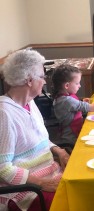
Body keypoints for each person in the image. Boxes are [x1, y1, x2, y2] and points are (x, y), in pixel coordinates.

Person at [0, 49, 70, 211]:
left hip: (49, 173)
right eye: (42, 76)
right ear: (29, 80)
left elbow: (40, 139)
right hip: (26, 190)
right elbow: (3, 168)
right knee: (73, 200)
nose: (45, 81)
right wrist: (41, 183)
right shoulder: (4, 113)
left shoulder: (29, 102)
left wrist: (59, 151)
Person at [51, 64, 94, 145]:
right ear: (66, 85)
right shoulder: (66, 101)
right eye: (77, 83)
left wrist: (82, 102)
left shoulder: (63, 97)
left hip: (76, 131)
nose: (79, 86)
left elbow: (72, 109)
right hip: (72, 138)